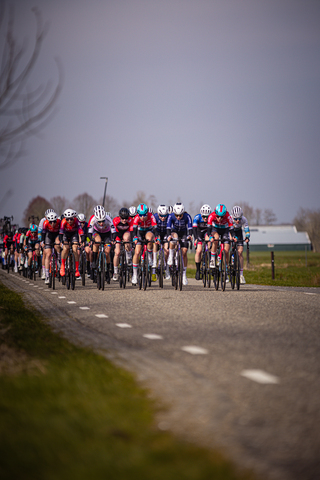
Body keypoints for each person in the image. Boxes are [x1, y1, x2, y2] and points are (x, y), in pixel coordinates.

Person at [166, 202, 192, 286]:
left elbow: (190, 228)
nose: (178, 217)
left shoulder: (187, 216)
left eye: (180, 215)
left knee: (184, 252)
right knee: (173, 238)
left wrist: (190, 236)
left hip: (184, 233)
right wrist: (169, 236)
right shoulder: (171, 216)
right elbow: (168, 228)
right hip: (174, 231)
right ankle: (171, 255)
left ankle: (184, 274)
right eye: (176, 215)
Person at [131, 203, 157, 285]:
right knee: (137, 252)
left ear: (147, 213)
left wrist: (156, 238)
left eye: (144, 215)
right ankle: (134, 275)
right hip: (139, 232)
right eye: (141, 215)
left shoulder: (151, 216)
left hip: (148, 230)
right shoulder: (136, 218)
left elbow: (155, 228)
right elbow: (134, 230)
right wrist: (135, 237)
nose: (142, 217)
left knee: (150, 239)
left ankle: (149, 257)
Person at [207, 204, 234, 278]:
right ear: (215, 213)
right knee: (216, 238)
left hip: (225, 230)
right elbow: (208, 230)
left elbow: (231, 229)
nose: (219, 218)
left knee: (227, 249)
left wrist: (234, 236)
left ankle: (225, 268)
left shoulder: (228, 216)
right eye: (218, 216)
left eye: (221, 217)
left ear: (224, 215)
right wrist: (210, 237)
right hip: (215, 229)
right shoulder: (211, 216)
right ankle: (212, 259)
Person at [88, 205, 113, 278]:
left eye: (103, 221)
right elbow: (89, 232)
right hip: (97, 233)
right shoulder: (93, 219)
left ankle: (108, 270)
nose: (101, 223)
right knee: (97, 241)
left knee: (107, 252)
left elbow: (113, 231)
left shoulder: (108, 218)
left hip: (107, 234)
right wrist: (91, 240)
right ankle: (94, 262)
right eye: (99, 221)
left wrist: (113, 239)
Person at [59, 209, 84, 278]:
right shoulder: (63, 222)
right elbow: (61, 233)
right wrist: (61, 242)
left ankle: (76, 269)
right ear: (65, 219)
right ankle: (63, 266)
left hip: (73, 234)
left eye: (71, 219)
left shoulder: (77, 221)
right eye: (67, 219)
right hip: (65, 235)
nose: (69, 221)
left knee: (75, 249)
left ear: (74, 218)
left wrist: (82, 240)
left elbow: (81, 232)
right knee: (66, 248)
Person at [112, 207, 134, 281]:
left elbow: (131, 232)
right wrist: (113, 240)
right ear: (119, 217)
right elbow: (113, 232)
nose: (124, 220)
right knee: (117, 253)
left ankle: (128, 257)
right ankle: (115, 272)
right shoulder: (115, 220)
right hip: (117, 234)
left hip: (126, 233)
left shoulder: (131, 220)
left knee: (126, 239)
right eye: (123, 218)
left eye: (126, 218)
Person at [231, 206, 250, 284]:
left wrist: (247, 237)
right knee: (230, 246)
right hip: (230, 231)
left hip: (238, 232)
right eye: (235, 219)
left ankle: (241, 275)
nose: (237, 220)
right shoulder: (229, 219)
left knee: (240, 252)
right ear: (232, 217)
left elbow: (246, 229)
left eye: (239, 218)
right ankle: (232, 258)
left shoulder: (244, 219)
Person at [192, 204, 212, 280]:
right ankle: (197, 270)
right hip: (199, 233)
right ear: (201, 215)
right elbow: (194, 229)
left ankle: (210, 260)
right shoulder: (197, 217)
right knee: (199, 250)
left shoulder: (211, 218)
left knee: (209, 242)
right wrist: (196, 238)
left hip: (207, 232)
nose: (205, 218)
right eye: (204, 216)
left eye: (207, 216)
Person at [41, 211, 61, 284]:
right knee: (48, 254)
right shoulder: (45, 223)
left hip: (57, 235)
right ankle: (46, 275)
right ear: (48, 221)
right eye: (51, 222)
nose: (52, 223)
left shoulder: (59, 222)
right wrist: (43, 242)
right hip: (48, 236)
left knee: (58, 243)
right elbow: (43, 234)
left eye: (54, 222)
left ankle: (59, 259)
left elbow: (62, 233)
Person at [153, 205, 170, 280]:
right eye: (161, 216)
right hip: (157, 233)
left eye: (165, 216)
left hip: (166, 233)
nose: (163, 218)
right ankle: (154, 266)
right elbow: (154, 229)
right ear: (158, 214)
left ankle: (166, 268)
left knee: (167, 251)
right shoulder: (154, 217)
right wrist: (157, 238)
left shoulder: (169, 217)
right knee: (155, 245)